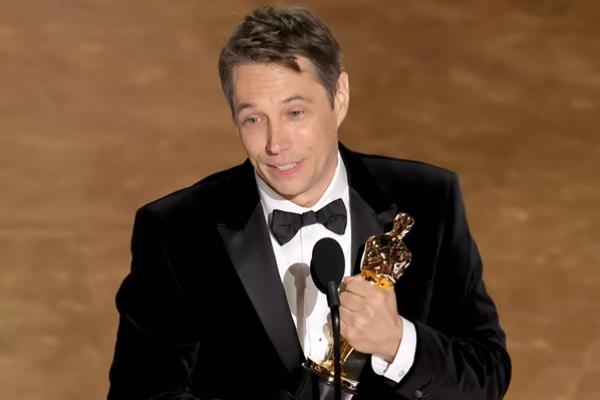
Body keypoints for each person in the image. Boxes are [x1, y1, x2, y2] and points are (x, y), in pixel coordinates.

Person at [107, 6, 511, 400]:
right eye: (253, 119)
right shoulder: (176, 232)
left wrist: (397, 342)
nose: (275, 144)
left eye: (295, 113)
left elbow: (487, 375)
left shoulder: (429, 201)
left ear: (340, 97)